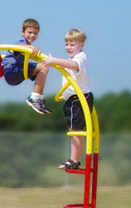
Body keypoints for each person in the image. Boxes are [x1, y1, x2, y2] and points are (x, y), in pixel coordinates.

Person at [41, 29, 93, 170]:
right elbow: (67, 65)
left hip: (78, 98)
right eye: (66, 44)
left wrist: (54, 60)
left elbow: (75, 66)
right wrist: (53, 62)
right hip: (72, 99)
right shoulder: (70, 60)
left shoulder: (80, 57)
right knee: (73, 130)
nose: (68, 47)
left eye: (72, 44)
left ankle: (74, 160)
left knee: (75, 130)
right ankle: (73, 160)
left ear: (81, 45)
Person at [1, 19, 52, 115]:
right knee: (44, 67)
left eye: (35, 33)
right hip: (12, 70)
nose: (32, 35)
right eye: (30, 32)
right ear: (23, 32)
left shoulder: (27, 46)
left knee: (43, 68)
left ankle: (39, 99)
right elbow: (18, 47)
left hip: (16, 71)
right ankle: (35, 97)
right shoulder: (22, 42)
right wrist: (31, 47)